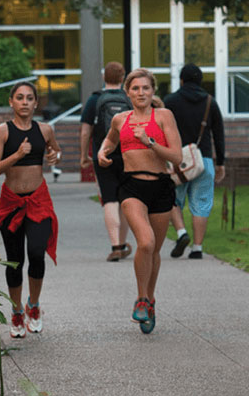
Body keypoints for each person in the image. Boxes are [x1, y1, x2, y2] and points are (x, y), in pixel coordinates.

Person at [0, 81, 61, 338]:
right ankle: (16, 310)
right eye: (20, 98)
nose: (25, 102)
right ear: (11, 102)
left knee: (36, 252)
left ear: (36, 103)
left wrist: (55, 156)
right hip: (11, 203)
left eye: (29, 98)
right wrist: (17, 155)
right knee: (14, 261)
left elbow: (54, 151)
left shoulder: (45, 130)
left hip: (38, 201)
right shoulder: (2, 131)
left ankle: (33, 305)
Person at [98, 68, 182, 330]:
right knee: (145, 242)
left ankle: (150, 299)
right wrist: (103, 152)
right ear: (127, 92)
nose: (141, 92)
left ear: (153, 90)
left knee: (155, 249)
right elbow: (109, 140)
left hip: (161, 187)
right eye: (135, 88)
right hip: (132, 186)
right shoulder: (120, 119)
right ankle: (141, 298)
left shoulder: (164, 116)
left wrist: (150, 142)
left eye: (146, 88)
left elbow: (177, 157)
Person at [164, 63, 225, 259]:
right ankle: (197, 248)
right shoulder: (210, 102)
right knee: (202, 202)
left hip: (177, 161)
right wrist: (220, 162)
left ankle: (182, 232)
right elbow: (219, 134)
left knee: (170, 198)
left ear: (181, 80)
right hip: (203, 160)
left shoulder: (170, 101)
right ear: (200, 81)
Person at [80, 61, 132, 262]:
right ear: (122, 78)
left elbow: (86, 131)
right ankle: (122, 242)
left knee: (109, 199)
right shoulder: (128, 98)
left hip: (103, 154)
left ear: (104, 77)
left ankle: (115, 245)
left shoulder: (95, 100)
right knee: (125, 200)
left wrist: (84, 155)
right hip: (127, 155)